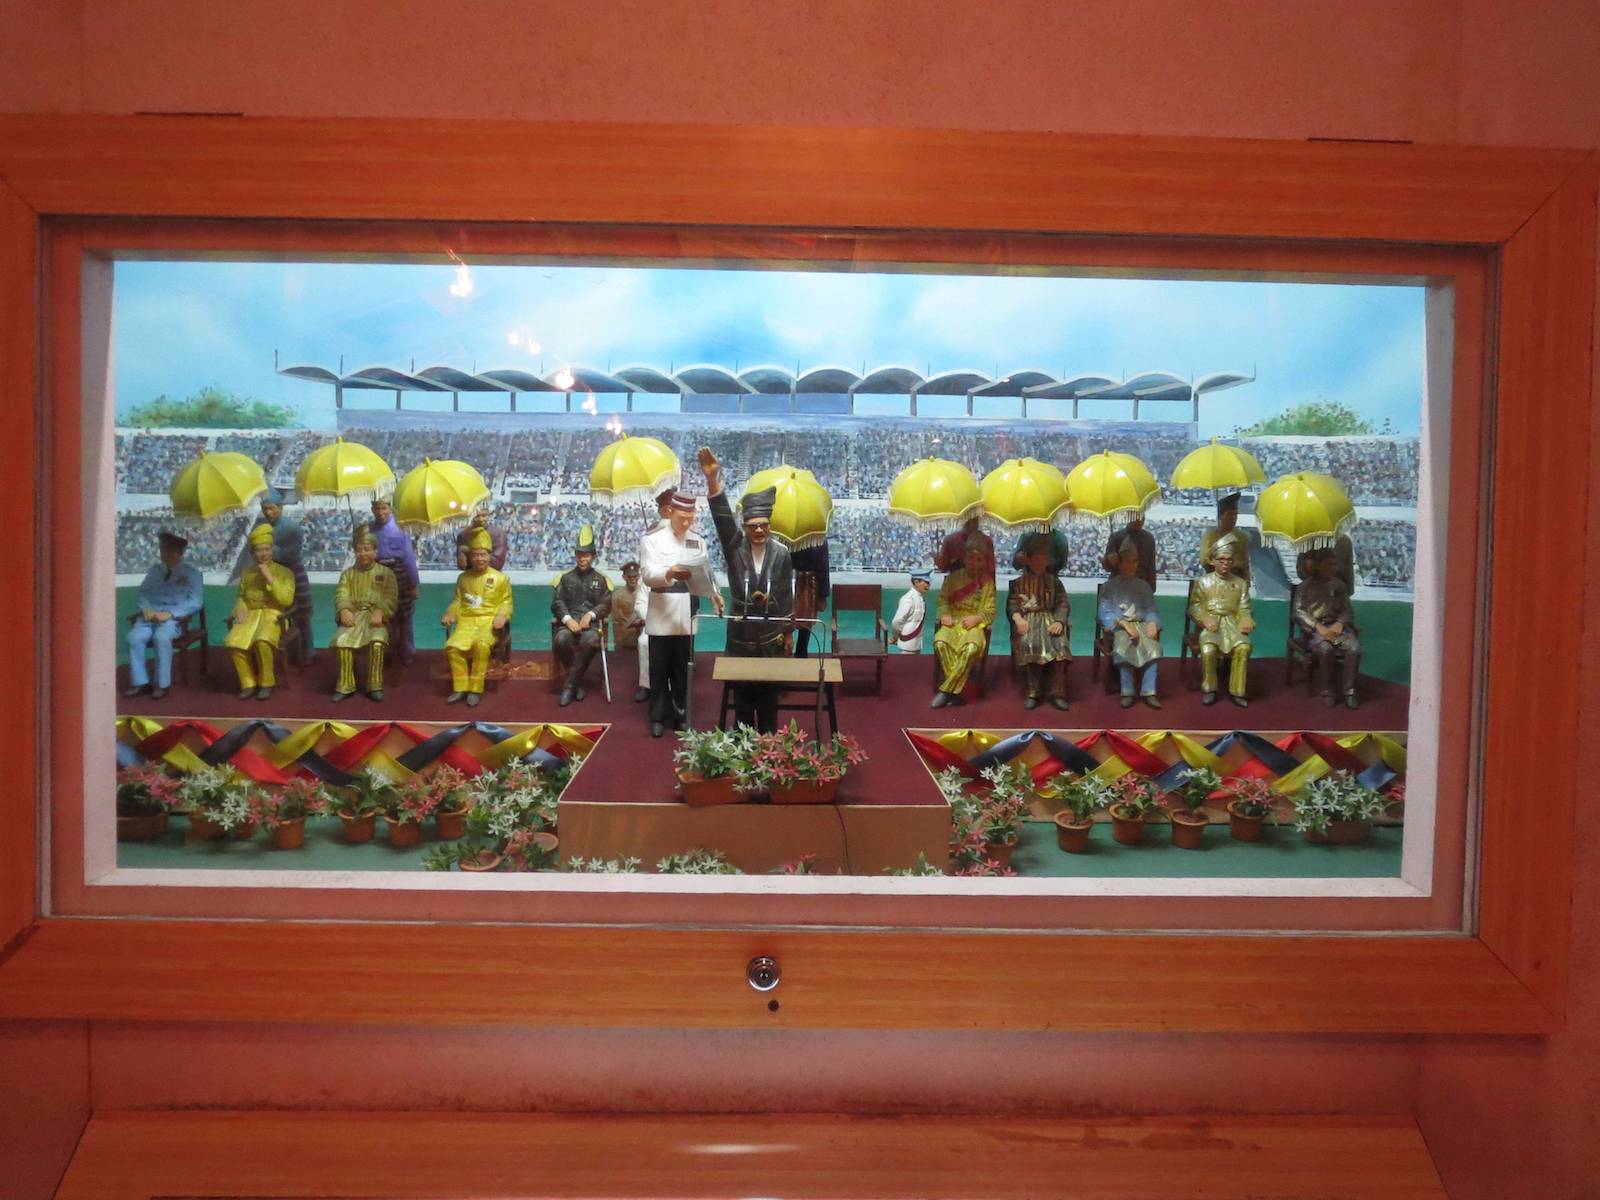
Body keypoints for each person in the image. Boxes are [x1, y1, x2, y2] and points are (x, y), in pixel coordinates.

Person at [701, 447, 794, 732]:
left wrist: (788, 632)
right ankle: (742, 746)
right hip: (740, 637)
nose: (759, 530)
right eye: (753, 526)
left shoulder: (781, 554)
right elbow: (722, 520)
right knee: (741, 702)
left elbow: (786, 595)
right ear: (744, 526)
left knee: (769, 703)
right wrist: (712, 480)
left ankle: (769, 747)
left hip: (770, 638)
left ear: (770, 525)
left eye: (764, 525)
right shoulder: (735, 548)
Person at [639, 491, 723, 737]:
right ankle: (657, 715)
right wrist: (669, 573)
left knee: (682, 668)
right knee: (658, 668)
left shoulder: (697, 541)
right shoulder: (652, 540)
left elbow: (706, 574)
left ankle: (680, 713)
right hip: (661, 610)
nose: (686, 522)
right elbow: (647, 574)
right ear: (670, 512)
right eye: (681, 517)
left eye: (690, 518)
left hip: (686, 611)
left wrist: (714, 594)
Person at [236, 487, 315, 664]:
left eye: (272, 508)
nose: (269, 512)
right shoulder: (262, 527)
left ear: (280, 507)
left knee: (301, 614)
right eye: (265, 509)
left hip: (292, 571)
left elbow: (292, 553)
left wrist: (268, 548)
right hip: (270, 572)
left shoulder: (292, 528)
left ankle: (308, 651)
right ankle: (289, 650)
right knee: (278, 611)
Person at [124, 529, 204, 700]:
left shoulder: (192, 573)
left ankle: (162, 684)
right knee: (134, 638)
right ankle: (140, 682)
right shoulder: (154, 571)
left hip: (173, 621)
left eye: (169, 551)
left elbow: (196, 602)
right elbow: (142, 594)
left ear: (180, 553)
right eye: (162, 550)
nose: (164, 554)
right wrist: (146, 609)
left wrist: (170, 614)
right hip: (148, 619)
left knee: (161, 638)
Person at [440, 526, 512, 707]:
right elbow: (458, 601)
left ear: (489, 556)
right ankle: (460, 687)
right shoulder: (463, 578)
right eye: (476, 555)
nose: (480, 558)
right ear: (470, 557)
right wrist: (451, 612)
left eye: (483, 555)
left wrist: (502, 615)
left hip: (488, 622)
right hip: (466, 621)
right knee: (452, 648)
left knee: (481, 646)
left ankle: (475, 688)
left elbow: (506, 602)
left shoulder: (500, 578)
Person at [225, 523, 297, 701]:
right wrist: (239, 607)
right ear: (253, 553)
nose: (263, 554)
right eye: (259, 550)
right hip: (250, 616)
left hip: (274, 615)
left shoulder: (285, 572)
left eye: (267, 549)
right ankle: (248, 683)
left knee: (262, 640)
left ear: (272, 550)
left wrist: (269, 577)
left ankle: (266, 682)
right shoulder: (247, 573)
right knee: (233, 642)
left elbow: (286, 600)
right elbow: (241, 596)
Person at [330, 524, 399, 702]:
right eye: (359, 550)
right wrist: (344, 609)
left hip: (376, 619)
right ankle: (345, 685)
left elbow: (391, 597)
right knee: (342, 641)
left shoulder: (386, 573)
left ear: (375, 551)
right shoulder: (347, 574)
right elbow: (341, 594)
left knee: (377, 642)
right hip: (354, 617)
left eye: (367, 549)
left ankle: (374, 685)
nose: (363, 553)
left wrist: (381, 611)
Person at [1007, 532, 1071, 711]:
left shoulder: (1054, 582)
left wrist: (1059, 621)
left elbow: (1062, 603)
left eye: (1043, 559)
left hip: (1049, 619)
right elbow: (1012, 604)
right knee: (1029, 643)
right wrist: (1018, 618)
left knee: (1060, 645)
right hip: (1028, 620)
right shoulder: (1018, 583)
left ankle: (1057, 692)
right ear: (1027, 560)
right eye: (1036, 559)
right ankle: (1033, 691)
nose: (1040, 563)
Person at [551, 523, 613, 707]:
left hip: (591, 626)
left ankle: (570, 686)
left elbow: (606, 604)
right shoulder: (565, 578)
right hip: (568, 624)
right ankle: (576, 683)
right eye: (579, 554)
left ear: (593, 557)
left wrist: (591, 615)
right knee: (561, 639)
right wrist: (567, 619)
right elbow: (557, 602)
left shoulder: (601, 579)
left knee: (590, 641)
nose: (582, 558)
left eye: (585, 555)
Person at [1293, 546, 1362, 709]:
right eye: (1328, 564)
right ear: (1318, 565)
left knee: (1354, 648)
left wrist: (1340, 623)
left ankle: (1349, 691)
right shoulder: (1305, 587)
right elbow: (1298, 611)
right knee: (1325, 649)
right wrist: (1317, 626)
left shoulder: (1339, 585)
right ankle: (1328, 691)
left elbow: (1347, 610)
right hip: (1315, 630)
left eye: (1334, 564)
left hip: (1338, 628)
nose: (1333, 568)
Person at [931, 535, 995, 708]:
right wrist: (944, 614)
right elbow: (942, 601)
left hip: (973, 626)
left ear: (982, 562)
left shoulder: (987, 583)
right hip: (953, 622)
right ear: (964, 558)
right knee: (940, 643)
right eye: (970, 558)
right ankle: (956, 691)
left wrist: (977, 618)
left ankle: (946, 691)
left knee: (971, 648)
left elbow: (990, 610)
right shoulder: (952, 579)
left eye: (978, 559)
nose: (973, 563)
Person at [1099, 535, 1163, 709]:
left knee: (1153, 648)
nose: (1132, 565)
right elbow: (1104, 612)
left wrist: (1152, 623)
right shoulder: (1109, 587)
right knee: (1123, 646)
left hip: (1141, 625)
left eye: (1134, 562)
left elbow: (1151, 610)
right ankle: (1127, 690)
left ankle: (1149, 690)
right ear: (1120, 563)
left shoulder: (1144, 586)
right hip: (1120, 627)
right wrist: (1123, 624)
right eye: (1127, 561)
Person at [1189, 543, 1254, 707]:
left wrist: (1246, 619)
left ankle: (1237, 691)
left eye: (1229, 560)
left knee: (1243, 648)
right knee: (1208, 649)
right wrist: (1204, 618)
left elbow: (1244, 607)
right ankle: (1210, 689)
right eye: (1221, 559)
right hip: (1212, 624)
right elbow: (1195, 606)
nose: (1225, 563)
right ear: (1213, 561)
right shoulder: (1203, 582)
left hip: (1232, 624)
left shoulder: (1240, 583)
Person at [630, 489, 676, 704]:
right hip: (653, 621)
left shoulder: (679, 573)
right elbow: (640, 603)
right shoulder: (646, 576)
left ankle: (674, 686)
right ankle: (646, 684)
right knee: (644, 641)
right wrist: (650, 617)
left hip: (677, 622)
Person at [370, 497, 420, 665]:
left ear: (390, 508)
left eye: (384, 508)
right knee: (382, 613)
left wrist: (413, 584)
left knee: (405, 615)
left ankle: (407, 651)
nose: (380, 512)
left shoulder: (401, 527)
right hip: (377, 573)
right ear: (372, 510)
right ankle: (386, 649)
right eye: (377, 509)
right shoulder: (369, 529)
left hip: (400, 572)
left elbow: (409, 558)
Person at [611, 560, 647, 702]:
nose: (632, 579)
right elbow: (617, 618)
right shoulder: (617, 596)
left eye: (635, 576)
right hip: (625, 635)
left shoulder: (644, 593)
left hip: (642, 632)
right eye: (629, 577)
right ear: (624, 577)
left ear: (639, 577)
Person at [790, 535, 830, 657]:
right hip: (803, 583)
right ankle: (800, 654)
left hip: (797, 582)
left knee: (803, 625)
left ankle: (798, 654)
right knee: (803, 626)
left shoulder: (788, 537)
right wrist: (823, 594)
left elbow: (823, 567)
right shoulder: (819, 538)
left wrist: (823, 593)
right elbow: (823, 567)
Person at [1199, 492, 1252, 583]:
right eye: (1229, 514)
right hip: (1215, 581)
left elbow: (1245, 565)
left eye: (1235, 514)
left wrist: (1246, 583)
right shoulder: (1210, 535)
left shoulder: (1241, 537)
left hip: (1236, 582)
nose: (1233, 518)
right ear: (1221, 516)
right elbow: (1204, 561)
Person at [1102, 513, 1157, 591]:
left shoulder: (1149, 538)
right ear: (1128, 518)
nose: (1139, 520)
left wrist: (1151, 589)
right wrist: (1110, 561)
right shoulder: (1116, 537)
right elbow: (1107, 567)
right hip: (1119, 585)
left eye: (1141, 517)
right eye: (1136, 517)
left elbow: (1151, 566)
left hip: (1141, 586)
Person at [934, 513, 994, 578]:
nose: (972, 524)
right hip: (956, 582)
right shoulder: (950, 540)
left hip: (981, 583)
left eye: (974, 519)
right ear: (963, 520)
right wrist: (939, 563)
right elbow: (943, 567)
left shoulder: (987, 542)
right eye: (968, 519)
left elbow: (991, 571)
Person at [890, 570, 931, 653]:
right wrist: (895, 636)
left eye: (928, 582)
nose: (928, 585)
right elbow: (897, 621)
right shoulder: (908, 599)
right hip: (907, 642)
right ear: (916, 582)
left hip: (916, 642)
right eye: (926, 582)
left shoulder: (920, 598)